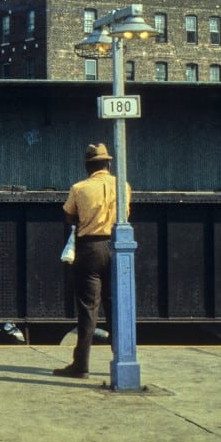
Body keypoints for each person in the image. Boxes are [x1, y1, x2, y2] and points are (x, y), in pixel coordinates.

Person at [53, 143, 131, 379]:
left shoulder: (79, 188)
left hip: (90, 248)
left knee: (88, 308)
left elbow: (69, 215)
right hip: (117, 246)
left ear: (88, 165)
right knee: (115, 305)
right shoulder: (123, 186)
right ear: (108, 163)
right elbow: (126, 213)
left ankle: (81, 365)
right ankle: (121, 357)